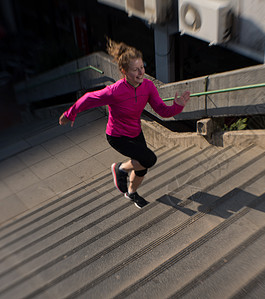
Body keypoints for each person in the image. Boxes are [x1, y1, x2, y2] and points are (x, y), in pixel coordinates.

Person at [59, 39, 190, 208]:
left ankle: (131, 192)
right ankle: (120, 168)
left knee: (142, 168)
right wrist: (69, 114)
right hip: (117, 136)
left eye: (142, 67)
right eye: (136, 70)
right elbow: (88, 99)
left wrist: (177, 106)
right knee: (149, 158)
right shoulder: (115, 91)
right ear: (124, 71)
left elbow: (162, 111)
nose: (141, 72)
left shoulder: (148, 86)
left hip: (135, 132)